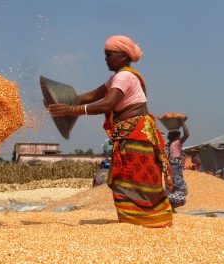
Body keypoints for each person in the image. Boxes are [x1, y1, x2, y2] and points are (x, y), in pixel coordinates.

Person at [48, 35, 173, 228]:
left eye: (109, 55)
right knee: (131, 177)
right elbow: (91, 96)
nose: (105, 59)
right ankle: (145, 220)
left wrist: (72, 111)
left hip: (135, 133)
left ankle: (145, 222)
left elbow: (108, 103)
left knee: (133, 176)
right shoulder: (115, 78)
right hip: (131, 133)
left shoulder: (125, 76)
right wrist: (61, 101)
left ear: (123, 56)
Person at [165, 118, 189, 211]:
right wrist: (183, 122)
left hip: (168, 170)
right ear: (176, 136)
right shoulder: (176, 143)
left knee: (171, 188)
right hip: (175, 170)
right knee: (182, 190)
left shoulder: (167, 145)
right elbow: (187, 134)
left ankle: (170, 208)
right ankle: (165, 201)